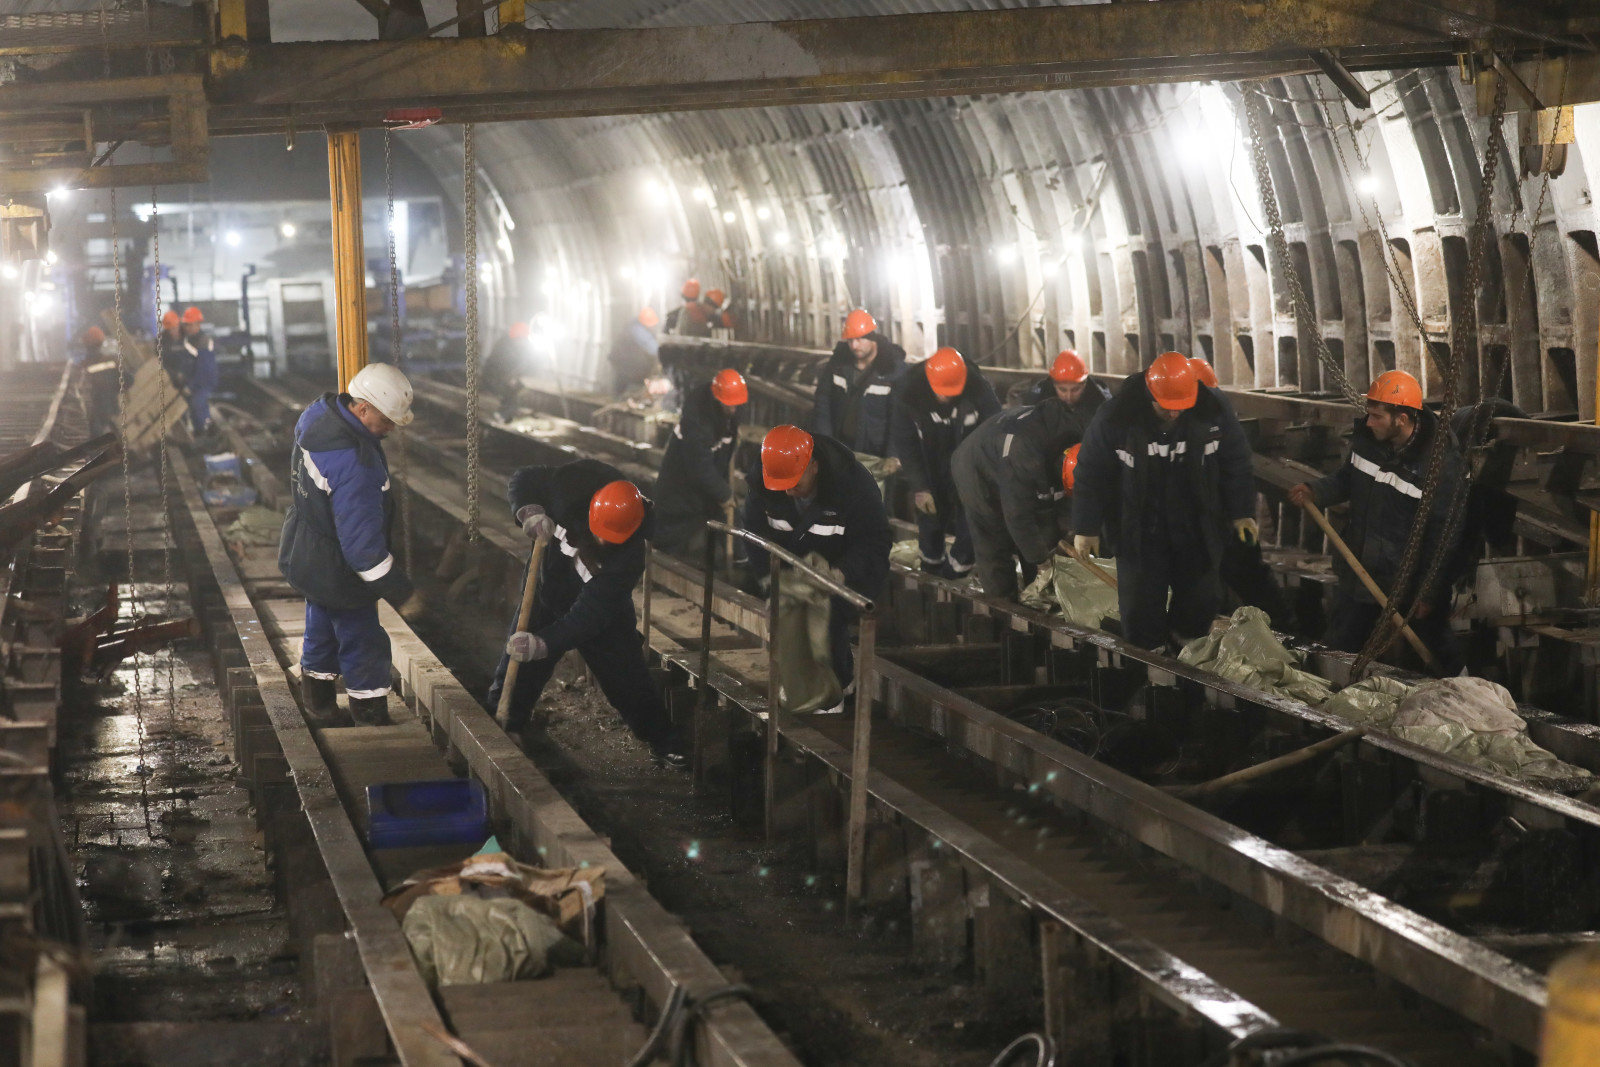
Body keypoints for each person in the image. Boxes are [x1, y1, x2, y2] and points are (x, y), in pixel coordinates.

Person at [491, 464, 685, 767]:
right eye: (601, 534)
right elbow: (523, 477)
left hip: (598, 611)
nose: (605, 543)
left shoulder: (630, 555)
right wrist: (528, 511)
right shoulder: (570, 486)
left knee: (627, 676)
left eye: (614, 538)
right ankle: (505, 724)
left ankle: (664, 742)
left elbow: (590, 615)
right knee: (518, 666)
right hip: (549, 585)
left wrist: (543, 643)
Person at [1072, 352, 1256, 650]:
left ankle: (1185, 655)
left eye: (1181, 408)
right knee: (1141, 609)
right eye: (1167, 408)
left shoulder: (1212, 409)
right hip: (1140, 530)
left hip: (1196, 527)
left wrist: (1241, 512)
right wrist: (1086, 527)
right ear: (1150, 394)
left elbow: (1237, 464)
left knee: (1201, 601)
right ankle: (1149, 669)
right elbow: (1092, 474)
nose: (1174, 414)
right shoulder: (1116, 416)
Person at [1288, 370, 1465, 675]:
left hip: (1406, 582)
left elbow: (1443, 536)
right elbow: (1347, 479)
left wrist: (1428, 592)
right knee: (1339, 648)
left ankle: (1467, 701)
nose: (1368, 423)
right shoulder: (1368, 442)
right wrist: (1317, 491)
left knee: (1436, 655)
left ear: (1402, 419)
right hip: (1363, 570)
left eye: (1377, 416)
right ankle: (1327, 713)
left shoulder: (1439, 465)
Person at [279, 363, 423, 727]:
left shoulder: (317, 415)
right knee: (363, 638)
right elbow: (362, 550)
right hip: (340, 567)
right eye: (386, 420)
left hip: (308, 548)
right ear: (361, 408)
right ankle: (370, 713)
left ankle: (319, 701)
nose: (390, 429)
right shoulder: (355, 464)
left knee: (322, 622)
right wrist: (402, 592)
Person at [743, 426, 891, 698]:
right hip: (792, 572)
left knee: (827, 620)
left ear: (814, 466)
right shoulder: (763, 486)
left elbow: (875, 542)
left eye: (795, 481)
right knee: (786, 616)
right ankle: (800, 685)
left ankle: (835, 690)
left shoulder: (854, 487)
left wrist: (839, 573)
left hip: (845, 571)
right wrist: (770, 585)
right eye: (781, 483)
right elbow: (754, 538)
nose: (787, 491)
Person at [951, 352, 1109, 600]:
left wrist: (1077, 530)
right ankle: (1003, 607)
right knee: (995, 542)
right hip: (976, 469)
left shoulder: (1078, 435)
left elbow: (1069, 499)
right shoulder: (1026, 457)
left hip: (1014, 459)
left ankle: (1038, 598)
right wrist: (1041, 562)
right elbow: (1018, 515)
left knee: (1044, 533)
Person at [890, 346, 1000, 577]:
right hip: (930, 464)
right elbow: (906, 444)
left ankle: (956, 574)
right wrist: (920, 487)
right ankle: (930, 569)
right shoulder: (908, 394)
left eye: (952, 392)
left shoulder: (979, 389)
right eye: (942, 392)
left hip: (969, 465)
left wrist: (982, 478)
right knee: (930, 519)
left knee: (971, 522)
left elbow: (995, 431)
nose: (947, 397)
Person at [654, 368, 746, 557]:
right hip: (679, 488)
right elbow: (699, 467)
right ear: (716, 399)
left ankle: (742, 565)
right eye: (729, 405)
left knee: (731, 520)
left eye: (736, 405)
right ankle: (659, 570)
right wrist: (724, 493)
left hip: (705, 488)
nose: (733, 410)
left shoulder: (728, 414)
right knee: (669, 538)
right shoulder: (697, 421)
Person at [810, 309, 906, 459]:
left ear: (873, 338)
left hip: (874, 454)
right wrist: (825, 441)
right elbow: (823, 400)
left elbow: (900, 417)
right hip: (841, 448)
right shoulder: (838, 364)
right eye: (850, 340)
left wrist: (893, 456)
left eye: (860, 339)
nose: (854, 346)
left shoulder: (892, 370)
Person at [482, 321, 534, 420]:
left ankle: (512, 413)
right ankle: (502, 416)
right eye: (521, 340)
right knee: (512, 395)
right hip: (494, 379)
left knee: (521, 392)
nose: (523, 342)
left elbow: (527, 365)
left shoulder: (520, 348)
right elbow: (500, 370)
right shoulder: (504, 349)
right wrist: (511, 380)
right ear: (516, 338)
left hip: (506, 378)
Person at [608, 308, 662, 398]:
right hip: (625, 362)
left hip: (622, 361)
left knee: (622, 380)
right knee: (625, 379)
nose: (652, 327)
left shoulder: (633, 325)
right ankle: (620, 398)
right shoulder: (637, 330)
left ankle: (618, 397)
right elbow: (653, 349)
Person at [180, 307, 218, 435]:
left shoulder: (204, 341)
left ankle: (205, 433)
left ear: (198, 324)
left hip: (204, 383)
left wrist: (191, 386)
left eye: (190, 325)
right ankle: (197, 432)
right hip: (194, 382)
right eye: (186, 325)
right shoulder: (188, 340)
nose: (188, 328)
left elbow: (203, 369)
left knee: (197, 404)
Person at [156, 309, 186, 391]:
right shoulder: (161, 341)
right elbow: (161, 362)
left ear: (178, 325)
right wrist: (175, 374)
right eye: (169, 330)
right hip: (171, 381)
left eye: (174, 328)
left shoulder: (187, 337)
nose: (172, 332)